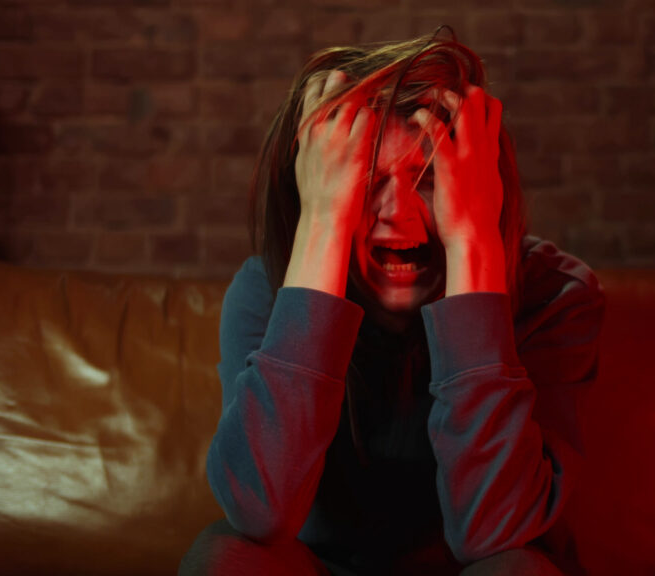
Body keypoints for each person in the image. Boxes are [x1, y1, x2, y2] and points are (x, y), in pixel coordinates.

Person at [179, 27, 605, 576]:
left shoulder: (556, 295)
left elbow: (494, 531)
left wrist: (473, 241)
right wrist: (325, 225)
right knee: (225, 556)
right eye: (361, 181)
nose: (396, 214)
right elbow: (259, 511)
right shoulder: (266, 289)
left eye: (428, 178)